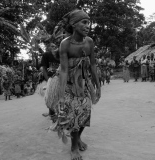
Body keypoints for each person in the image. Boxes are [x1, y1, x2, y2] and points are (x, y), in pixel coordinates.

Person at [58, 9, 101, 160]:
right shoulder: (65, 44)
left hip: (84, 85)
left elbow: (93, 65)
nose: (88, 25)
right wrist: (61, 92)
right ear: (73, 24)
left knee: (85, 116)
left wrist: (98, 85)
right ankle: (73, 147)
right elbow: (63, 70)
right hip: (70, 85)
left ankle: (78, 138)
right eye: (84, 22)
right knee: (74, 117)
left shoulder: (89, 42)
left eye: (89, 22)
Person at [40, 42, 60, 117]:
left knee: (58, 96)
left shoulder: (60, 55)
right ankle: (51, 113)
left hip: (60, 78)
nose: (54, 47)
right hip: (51, 78)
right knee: (50, 97)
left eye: (55, 46)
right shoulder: (46, 55)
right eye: (52, 46)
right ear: (48, 48)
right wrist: (48, 80)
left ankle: (57, 112)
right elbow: (44, 68)